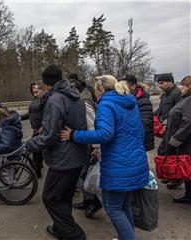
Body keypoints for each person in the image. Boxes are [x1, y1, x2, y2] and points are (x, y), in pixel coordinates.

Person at [60, 75, 149, 240]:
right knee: (124, 206)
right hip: (136, 161)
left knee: (113, 208)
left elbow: (104, 134)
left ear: (100, 89)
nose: (94, 91)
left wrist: (74, 135)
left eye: (95, 88)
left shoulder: (106, 104)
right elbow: (139, 132)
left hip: (119, 166)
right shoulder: (129, 102)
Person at [26, 65, 88, 240]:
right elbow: (67, 124)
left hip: (63, 159)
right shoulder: (76, 96)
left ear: (45, 84)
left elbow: (51, 137)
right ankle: (60, 229)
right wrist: (47, 129)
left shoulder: (55, 99)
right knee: (64, 197)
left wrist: (30, 144)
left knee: (50, 197)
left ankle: (75, 235)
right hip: (77, 155)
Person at [68, 73, 102, 219]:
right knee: (82, 175)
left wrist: (96, 147)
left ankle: (94, 201)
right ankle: (87, 200)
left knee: (80, 176)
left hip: (87, 144)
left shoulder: (83, 101)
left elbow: (92, 124)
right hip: (84, 142)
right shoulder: (82, 97)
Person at [161, 76, 191, 204]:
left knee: (188, 167)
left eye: (183, 86)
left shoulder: (189, 99)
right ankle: (188, 194)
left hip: (187, 141)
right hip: (185, 140)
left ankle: (189, 196)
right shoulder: (186, 98)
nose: (181, 88)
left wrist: (176, 139)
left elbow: (188, 121)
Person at [154, 73, 182, 188]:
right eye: (159, 83)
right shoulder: (166, 94)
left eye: (162, 83)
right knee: (164, 151)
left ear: (170, 82)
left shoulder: (177, 94)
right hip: (165, 125)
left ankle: (176, 178)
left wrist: (166, 121)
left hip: (173, 127)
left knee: (171, 152)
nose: (159, 85)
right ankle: (171, 176)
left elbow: (179, 111)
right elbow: (160, 110)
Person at [20, 81, 49, 178]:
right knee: (37, 152)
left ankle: (38, 171)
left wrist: (43, 126)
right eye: (33, 91)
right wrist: (20, 117)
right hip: (36, 129)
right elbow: (30, 113)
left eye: (36, 91)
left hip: (41, 129)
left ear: (42, 90)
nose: (34, 93)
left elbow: (47, 114)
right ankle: (37, 170)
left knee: (37, 150)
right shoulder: (34, 100)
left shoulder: (44, 100)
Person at [120, 75, 154, 151]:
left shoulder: (143, 102)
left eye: (123, 86)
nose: (120, 89)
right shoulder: (125, 100)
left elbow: (144, 126)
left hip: (140, 145)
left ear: (133, 86)